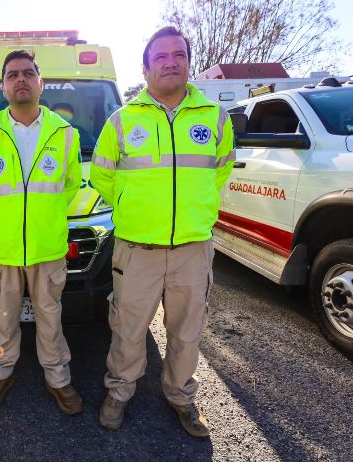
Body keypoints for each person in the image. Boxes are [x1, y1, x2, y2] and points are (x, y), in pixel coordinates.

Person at [90, 26, 235, 437]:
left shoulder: (215, 118)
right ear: (146, 67)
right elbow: (103, 177)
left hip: (193, 248)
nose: (171, 62)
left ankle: (181, 397)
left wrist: (191, 211)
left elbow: (219, 171)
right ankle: (119, 392)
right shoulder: (122, 121)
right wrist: (134, 208)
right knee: (128, 328)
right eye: (161, 57)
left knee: (187, 332)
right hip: (137, 249)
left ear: (188, 62)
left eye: (179, 55)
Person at [0, 50, 84, 415]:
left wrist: (42, 221)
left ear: (40, 83)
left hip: (47, 249)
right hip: (3, 250)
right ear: (3, 86)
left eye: (28, 73)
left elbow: (70, 187)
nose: (21, 79)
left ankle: (58, 379)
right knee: (2, 321)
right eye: (13, 74)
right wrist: (5, 223)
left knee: (51, 319)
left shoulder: (65, 135)